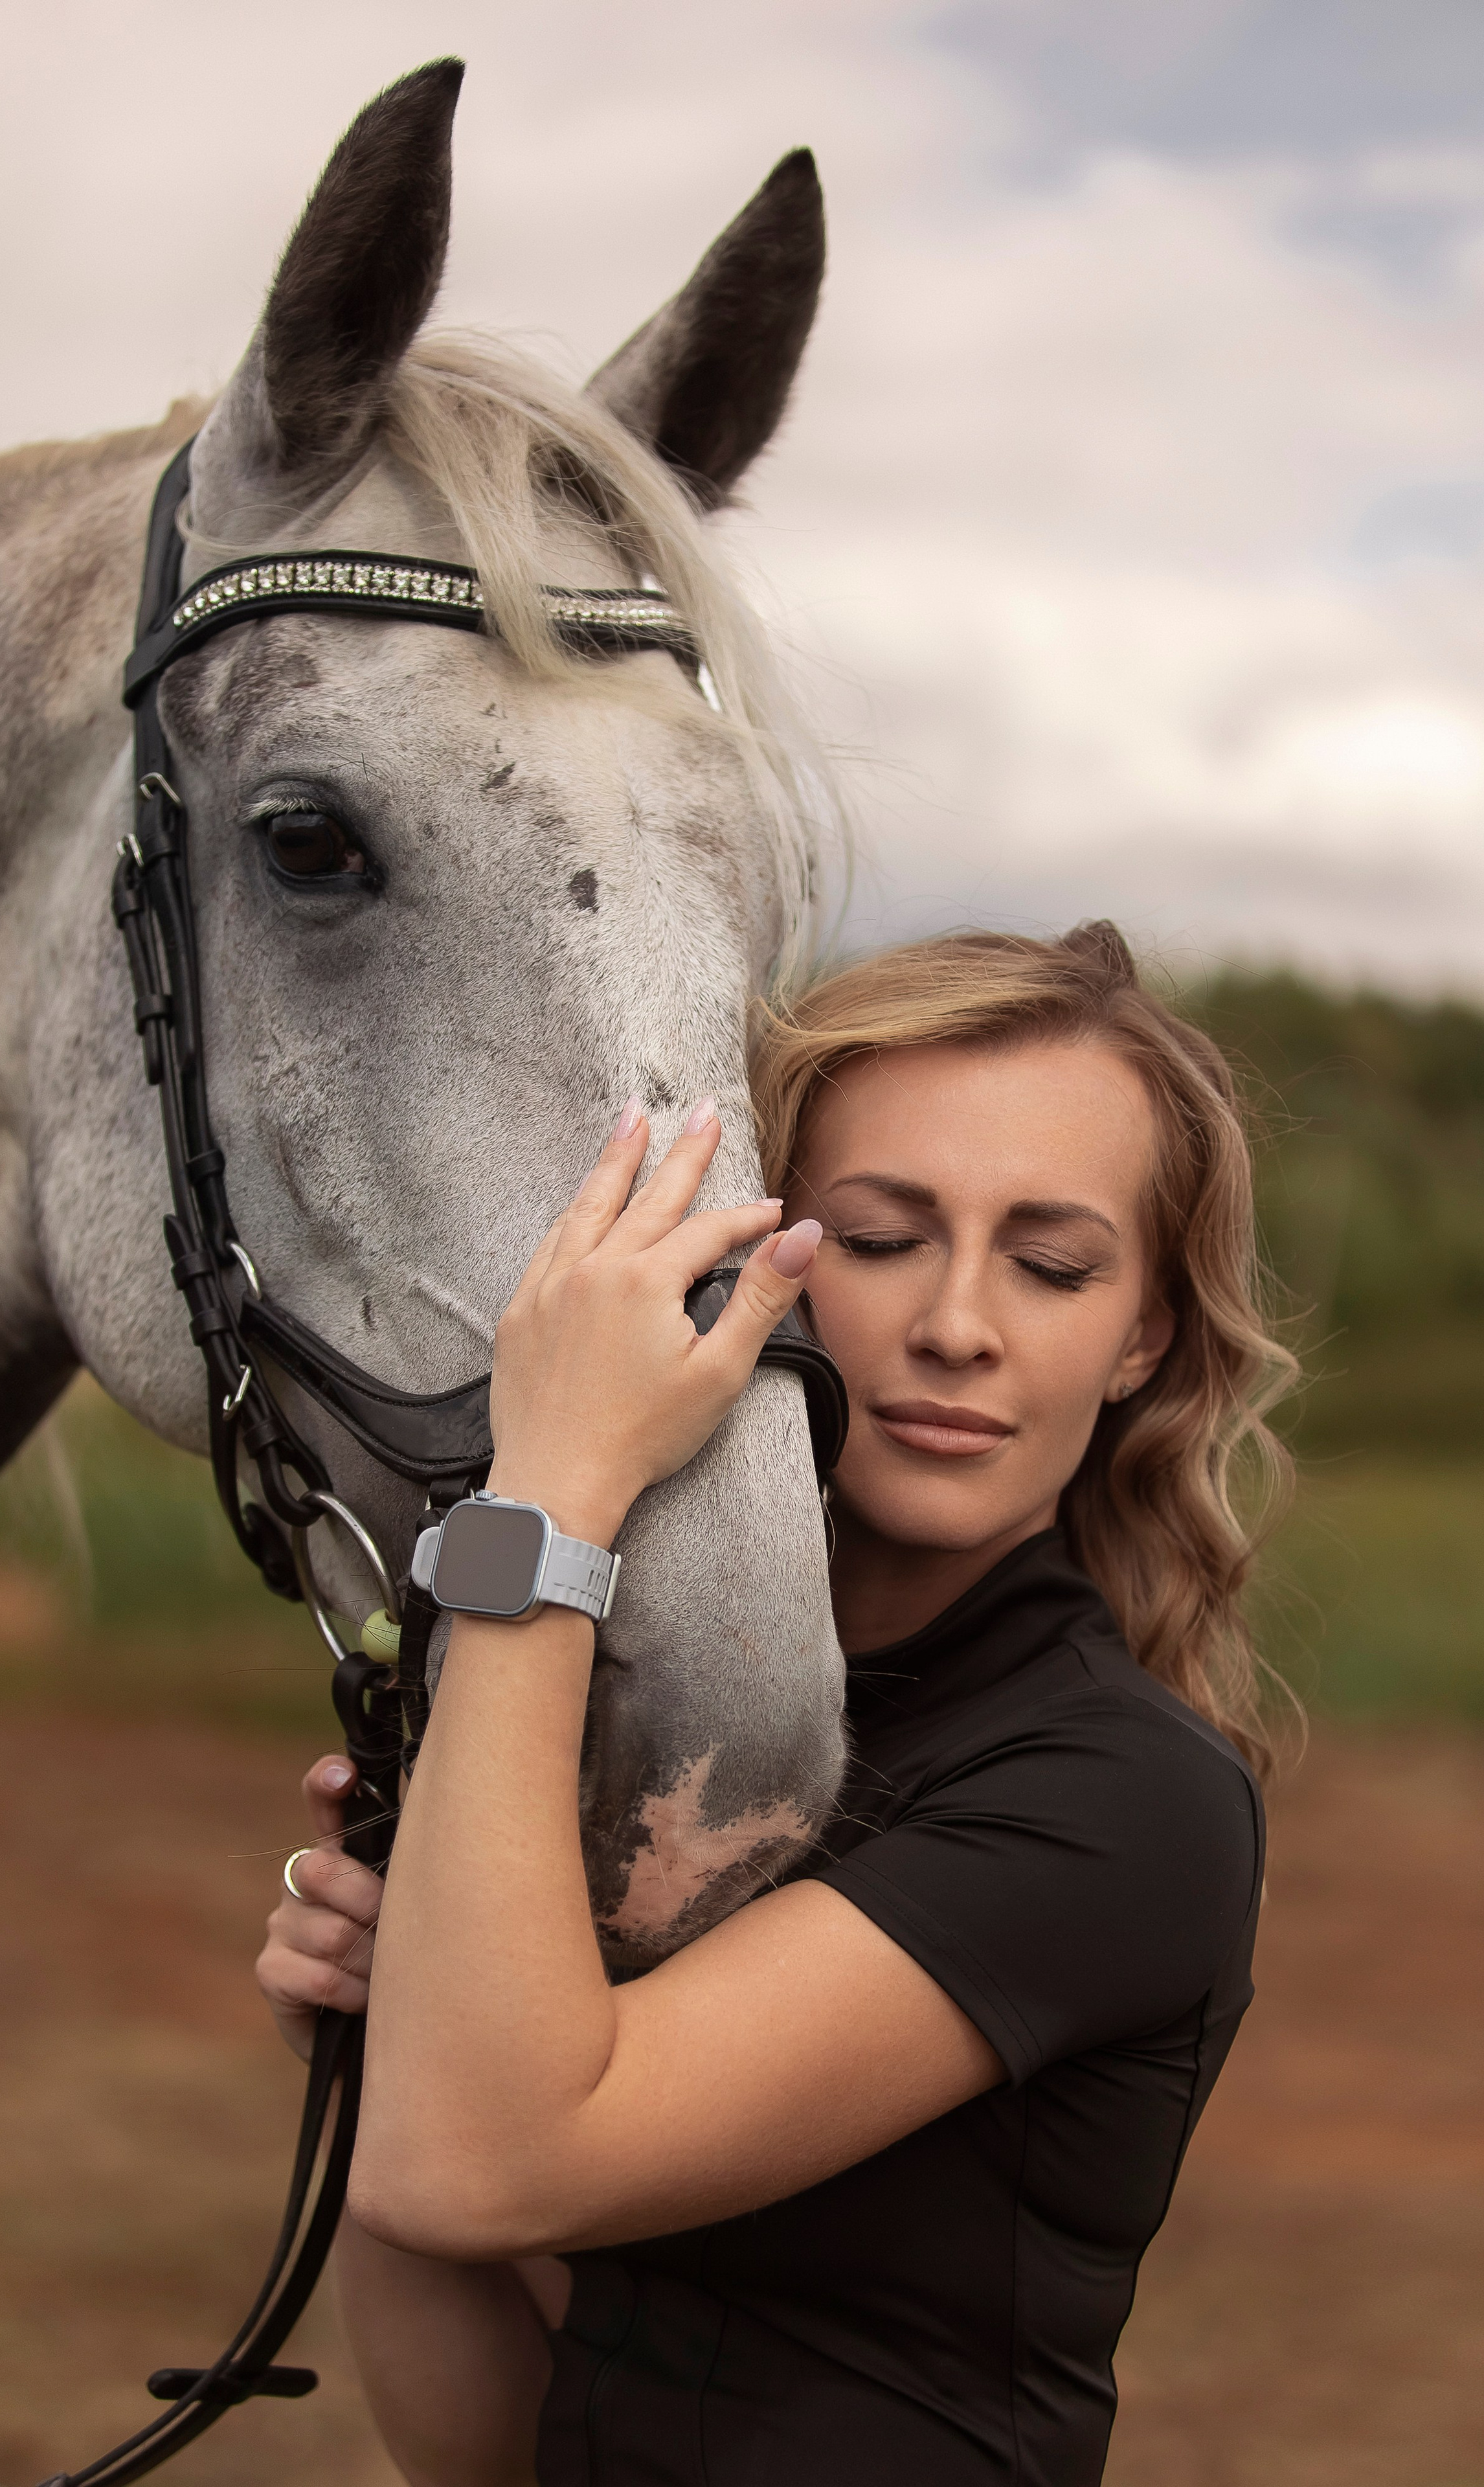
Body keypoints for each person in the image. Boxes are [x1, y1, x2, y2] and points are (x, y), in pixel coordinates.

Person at [256, 922, 1296, 2487]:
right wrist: (388, 2040)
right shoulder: (690, 1742)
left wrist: (553, 1491)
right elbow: (487, 2438)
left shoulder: (1120, 1799)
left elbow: (483, 2167)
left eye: (1050, 1265)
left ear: (1137, 1338)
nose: (958, 1326)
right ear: (743, 1258)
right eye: (874, 1239)